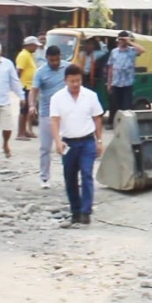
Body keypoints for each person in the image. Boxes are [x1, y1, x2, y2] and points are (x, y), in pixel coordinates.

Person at [44, 64, 104, 227]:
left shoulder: (90, 96)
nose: (75, 84)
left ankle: (86, 212)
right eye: (72, 81)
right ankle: (75, 211)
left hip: (87, 141)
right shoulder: (57, 98)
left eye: (78, 81)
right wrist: (57, 141)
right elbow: (54, 120)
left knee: (86, 174)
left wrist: (99, 141)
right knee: (70, 177)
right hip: (69, 143)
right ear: (65, 81)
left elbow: (98, 118)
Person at [29, 45, 67, 189]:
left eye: (57, 60)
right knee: (45, 147)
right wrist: (32, 105)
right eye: (52, 60)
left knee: (67, 146)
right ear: (46, 59)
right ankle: (44, 178)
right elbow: (33, 91)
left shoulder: (67, 68)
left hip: (65, 114)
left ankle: (69, 175)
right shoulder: (40, 72)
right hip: (47, 114)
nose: (55, 63)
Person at [105, 31, 145, 128]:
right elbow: (111, 67)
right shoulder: (114, 52)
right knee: (114, 106)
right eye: (120, 39)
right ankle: (113, 124)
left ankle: (126, 126)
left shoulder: (132, 51)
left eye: (124, 39)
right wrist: (109, 83)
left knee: (126, 106)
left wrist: (129, 42)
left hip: (127, 83)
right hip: (116, 82)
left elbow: (142, 50)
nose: (122, 41)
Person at [14, 36, 42, 140]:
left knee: (27, 111)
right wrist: (18, 87)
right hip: (25, 86)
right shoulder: (24, 55)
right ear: (29, 45)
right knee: (23, 110)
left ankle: (25, 130)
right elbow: (19, 71)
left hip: (30, 86)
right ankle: (20, 133)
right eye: (34, 45)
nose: (36, 48)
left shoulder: (30, 55)